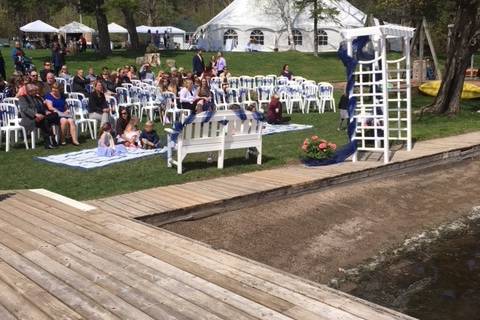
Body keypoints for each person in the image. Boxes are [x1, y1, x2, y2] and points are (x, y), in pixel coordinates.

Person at [18, 84, 58, 149]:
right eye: (35, 91)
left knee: (55, 115)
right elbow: (25, 109)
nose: (37, 92)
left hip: (42, 117)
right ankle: (50, 141)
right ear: (29, 91)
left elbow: (42, 107)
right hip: (30, 118)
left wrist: (46, 111)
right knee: (45, 121)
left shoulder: (38, 97)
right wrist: (35, 114)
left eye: (36, 90)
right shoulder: (23, 98)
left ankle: (50, 141)